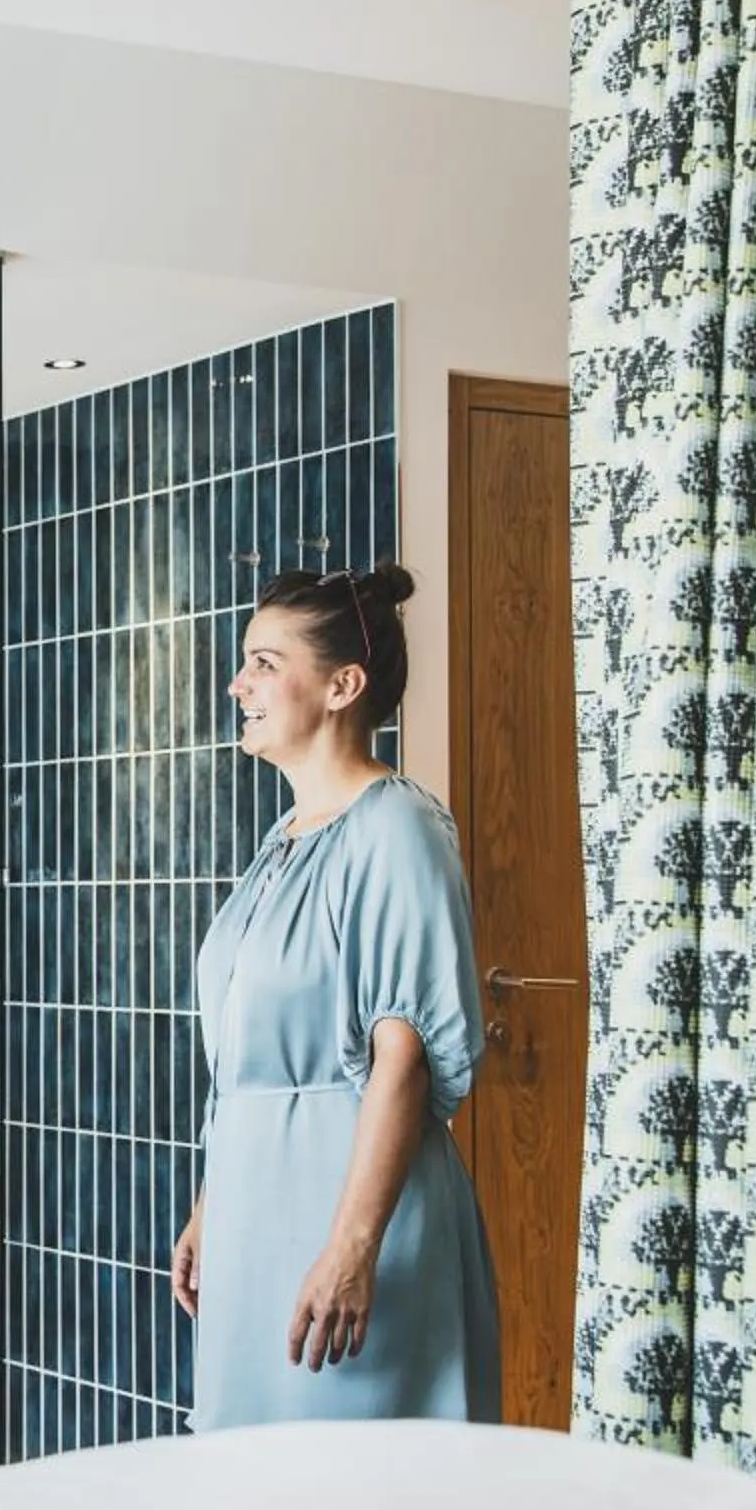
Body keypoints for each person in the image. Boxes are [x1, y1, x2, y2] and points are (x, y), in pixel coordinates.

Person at [171, 564, 502, 1428]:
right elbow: (249, 1051)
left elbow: (406, 1058)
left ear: (343, 685)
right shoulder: (282, 839)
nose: (239, 684)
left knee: (357, 1503)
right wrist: (212, 1207)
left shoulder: (397, 829)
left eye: (265, 663)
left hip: (348, 1218)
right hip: (255, 1214)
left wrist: (355, 1249)